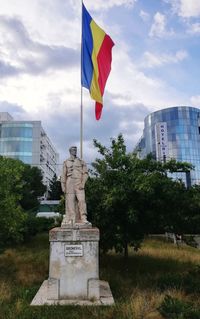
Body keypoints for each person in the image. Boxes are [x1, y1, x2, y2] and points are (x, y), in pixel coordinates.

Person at [61, 146, 89, 225]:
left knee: (82, 200)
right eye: (73, 150)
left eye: (75, 150)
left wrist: (83, 183)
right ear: (70, 151)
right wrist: (63, 186)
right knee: (70, 201)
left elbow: (85, 173)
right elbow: (63, 175)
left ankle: (83, 218)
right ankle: (72, 218)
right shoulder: (66, 162)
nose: (75, 151)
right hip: (69, 182)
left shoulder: (81, 161)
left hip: (78, 182)